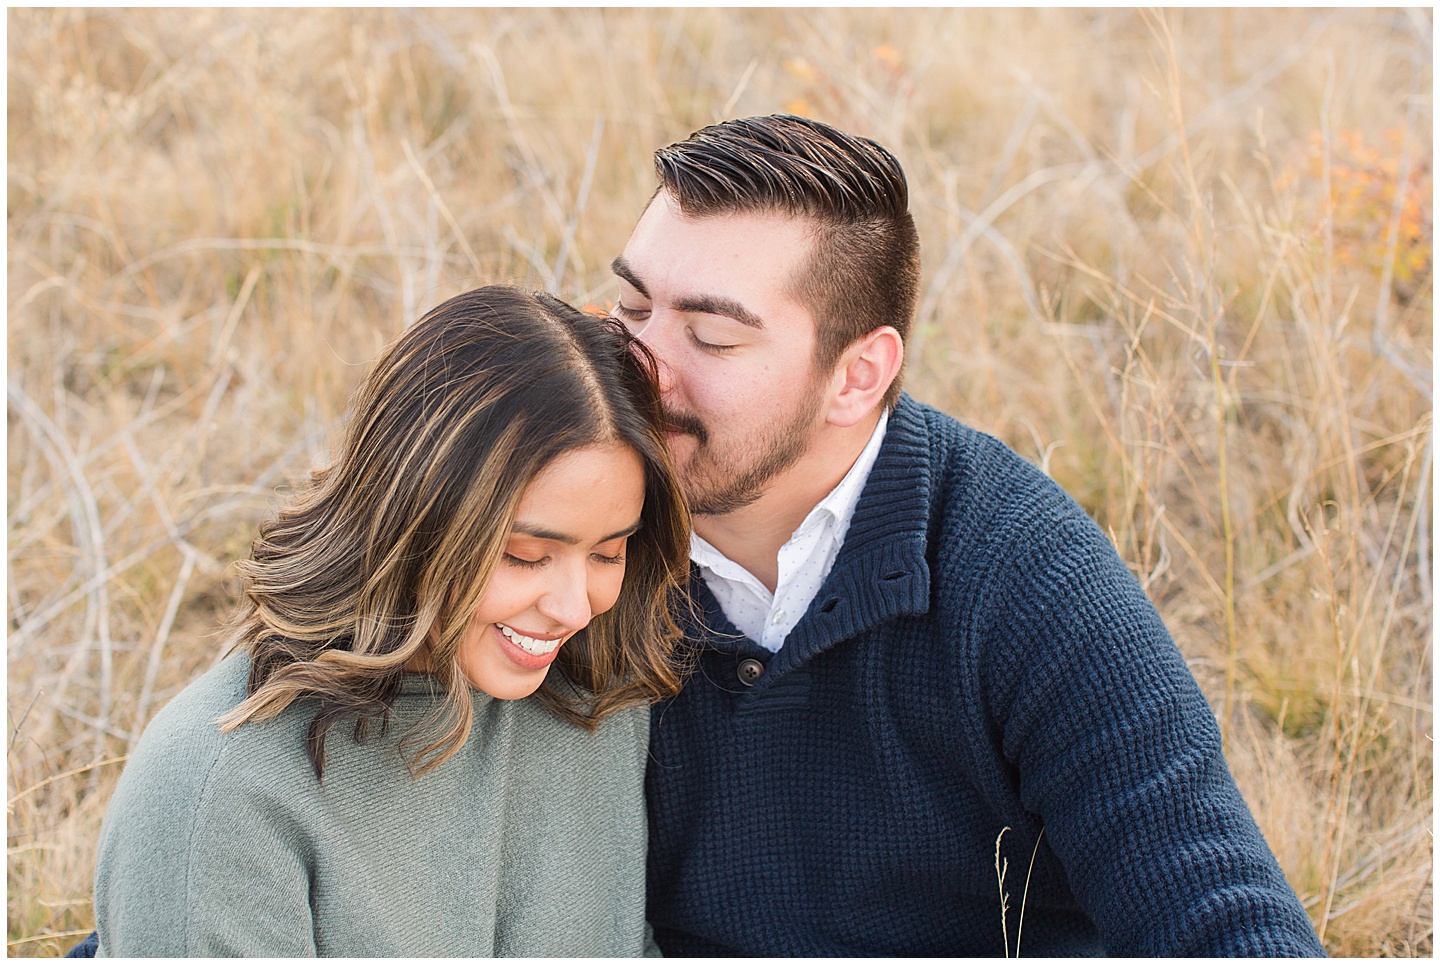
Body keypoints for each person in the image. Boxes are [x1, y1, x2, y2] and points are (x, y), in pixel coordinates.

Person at [610, 114, 1327, 956]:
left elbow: (1213, 907)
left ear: (857, 376)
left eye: (712, 336)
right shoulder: (563, 540)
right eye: (629, 306)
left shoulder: (1023, 568)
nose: (637, 365)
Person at [86, 286, 691, 956]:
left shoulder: (597, 703)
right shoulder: (221, 788)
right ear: (415, 520)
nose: (575, 606)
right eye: (525, 556)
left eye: (609, 551)